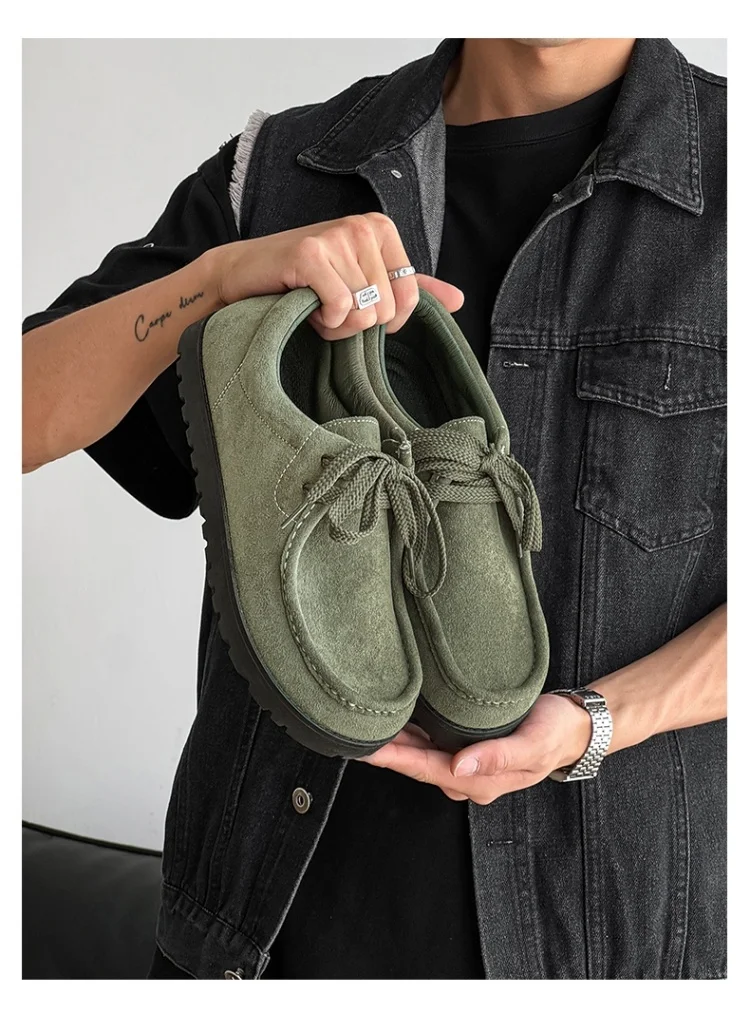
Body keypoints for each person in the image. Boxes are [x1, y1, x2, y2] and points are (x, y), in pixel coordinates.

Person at [23, 38, 726, 980]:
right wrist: (216, 282)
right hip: (259, 945)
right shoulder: (281, 172)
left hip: (609, 952)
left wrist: (601, 720)